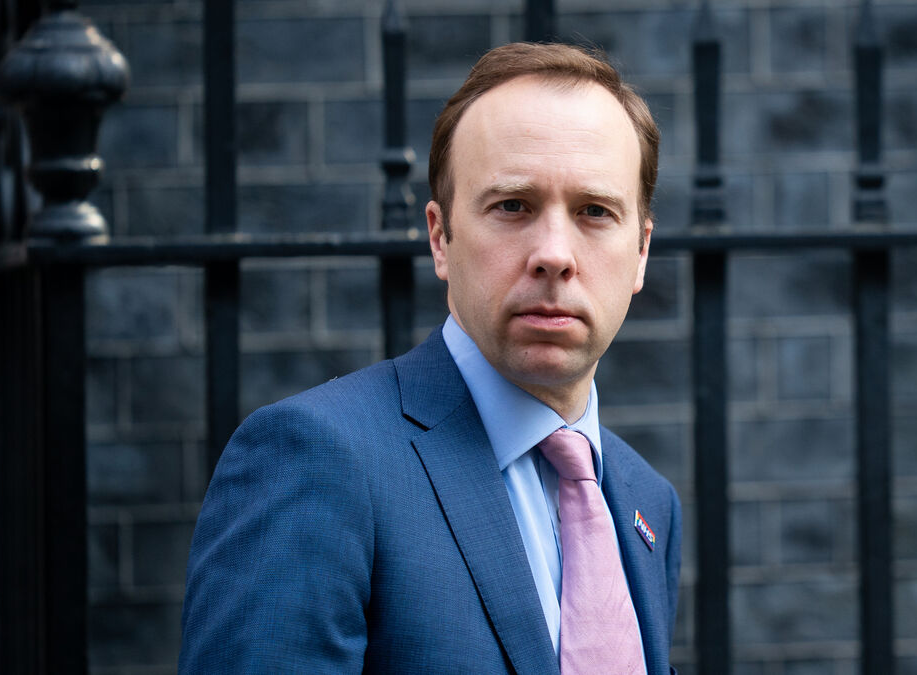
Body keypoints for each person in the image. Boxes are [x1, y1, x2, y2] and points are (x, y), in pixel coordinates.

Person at [179, 42, 681, 674]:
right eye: (513, 206)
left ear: (641, 251)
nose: (554, 254)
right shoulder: (316, 459)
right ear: (441, 238)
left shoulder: (647, 503)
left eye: (595, 211)